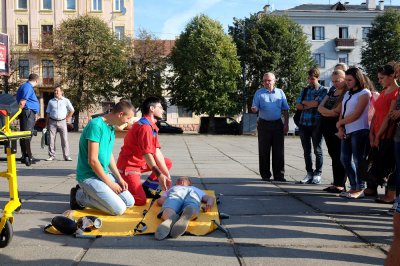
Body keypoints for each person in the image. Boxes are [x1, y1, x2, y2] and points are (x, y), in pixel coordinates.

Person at [69, 100, 135, 215]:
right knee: (118, 209)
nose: (128, 122)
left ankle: (99, 194)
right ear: (120, 115)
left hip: (101, 174)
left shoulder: (110, 128)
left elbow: (108, 154)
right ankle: (79, 196)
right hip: (88, 177)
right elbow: (93, 161)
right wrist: (110, 184)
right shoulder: (96, 125)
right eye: (128, 118)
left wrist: (119, 178)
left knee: (129, 202)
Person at [117, 96, 172, 206]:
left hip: (139, 164)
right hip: (129, 167)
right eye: (160, 107)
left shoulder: (151, 126)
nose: (163, 110)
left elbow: (156, 152)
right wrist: (159, 174)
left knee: (167, 163)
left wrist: (167, 175)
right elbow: (147, 154)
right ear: (152, 108)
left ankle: (147, 188)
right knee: (140, 201)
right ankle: (110, 192)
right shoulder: (145, 127)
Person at [336, 67, 371, 199]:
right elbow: (342, 112)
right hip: (347, 130)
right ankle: (354, 186)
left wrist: (340, 123)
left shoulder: (365, 93)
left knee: (358, 160)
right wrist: (340, 127)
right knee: (344, 159)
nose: (347, 82)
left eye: (350, 80)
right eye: (346, 80)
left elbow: (357, 114)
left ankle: (360, 188)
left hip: (360, 130)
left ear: (358, 79)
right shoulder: (347, 93)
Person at [366, 65, 398, 202]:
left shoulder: (396, 92)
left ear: (392, 76)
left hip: (386, 134)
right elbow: (375, 114)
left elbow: (388, 117)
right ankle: (373, 187)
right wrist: (372, 133)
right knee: (374, 161)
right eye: (378, 78)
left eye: (382, 78)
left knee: (386, 163)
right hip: (376, 130)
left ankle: (389, 193)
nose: (379, 81)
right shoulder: (384, 91)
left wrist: (378, 135)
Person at [251, 72, 289, 182]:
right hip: (263, 124)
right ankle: (265, 175)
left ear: (274, 81)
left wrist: (286, 124)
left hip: (277, 124)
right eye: (264, 81)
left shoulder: (280, 92)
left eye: (269, 80)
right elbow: (255, 106)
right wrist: (254, 109)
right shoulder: (259, 93)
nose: (266, 82)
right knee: (264, 150)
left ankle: (279, 175)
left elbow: (285, 109)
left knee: (279, 151)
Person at [296, 67, 328, 184]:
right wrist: (309, 104)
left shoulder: (323, 90)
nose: (310, 80)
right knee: (306, 150)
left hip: (316, 123)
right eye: (309, 78)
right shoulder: (304, 90)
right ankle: (309, 173)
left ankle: (318, 173)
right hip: (303, 123)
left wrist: (305, 103)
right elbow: (298, 105)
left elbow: (318, 103)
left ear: (318, 78)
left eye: (312, 78)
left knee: (317, 149)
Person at [318, 70, 347, 193]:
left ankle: (341, 184)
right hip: (327, 126)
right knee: (333, 155)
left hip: (338, 126)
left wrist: (327, 112)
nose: (335, 83)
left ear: (344, 79)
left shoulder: (346, 92)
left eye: (338, 81)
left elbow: (337, 111)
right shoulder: (332, 91)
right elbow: (320, 107)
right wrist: (327, 112)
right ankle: (336, 183)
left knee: (340, 155)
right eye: (333, 81)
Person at [45, 85, 75, 161]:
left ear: (62, 92)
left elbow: (72, 110)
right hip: (52, 121)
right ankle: (51, 155)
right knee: (51, 139)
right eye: (55, 90)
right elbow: (48, 113)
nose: (56, 92)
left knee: (64, 139)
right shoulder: (51, 101)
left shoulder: (66, 100)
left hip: (62, 121)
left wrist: (68, 118)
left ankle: (66, 156)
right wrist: (46, 124)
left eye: (57, 90)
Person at [16, 73, 40, 166]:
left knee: (25, 134)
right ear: (37, 80)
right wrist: (19, 112)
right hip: (27, 113)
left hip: (27, 112)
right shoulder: (28, 87)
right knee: (27, 134)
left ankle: (25, 155)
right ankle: (27, 156)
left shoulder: (24, 86)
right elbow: (22, 102)